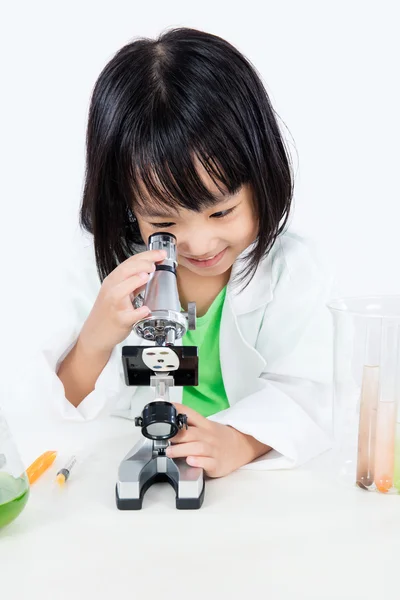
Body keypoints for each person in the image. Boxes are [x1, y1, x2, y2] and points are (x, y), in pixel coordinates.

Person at [42, 27, 335, 476]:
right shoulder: (97, 274)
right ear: (124, 204)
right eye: (162, 223)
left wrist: (239, 441)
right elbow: (58, 403)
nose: (199, 244)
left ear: (262, 178)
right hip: (117, 463)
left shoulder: (290, 273)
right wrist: (95, 340)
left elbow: (308, 396)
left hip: (250, 493)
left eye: (222, 212)